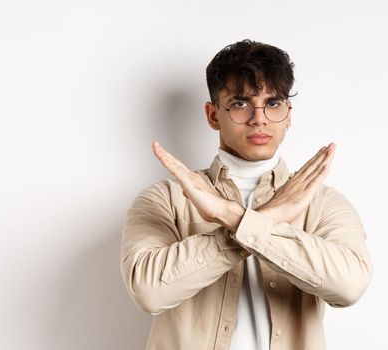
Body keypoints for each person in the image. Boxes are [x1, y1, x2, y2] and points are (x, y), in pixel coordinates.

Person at [120, 39, 373, 350]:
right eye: (241, 103)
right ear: (213, 115)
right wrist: (268, 221)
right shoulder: (165, 199)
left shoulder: (322, 203)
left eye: (273, 103)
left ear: (289, 114)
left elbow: (349, 287)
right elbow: (149, 292)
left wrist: (232, 218)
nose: (259, 118)